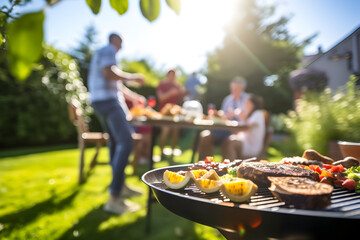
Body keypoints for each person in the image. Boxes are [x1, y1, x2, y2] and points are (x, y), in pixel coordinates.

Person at [88, 33, 146, 215]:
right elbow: (109, 73)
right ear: (115, 40)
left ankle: (119, 187)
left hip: (99, 102)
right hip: (109, 102)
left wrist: (134, 97)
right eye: (121, 42)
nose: (122, 45)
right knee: (127, 141)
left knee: (115, 142)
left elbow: (116, 85)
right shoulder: (108, 50)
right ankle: (114, 198)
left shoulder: (104, 54)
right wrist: (133, 76)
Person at [197, 76, 248, 160]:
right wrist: (220, 115)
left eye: (236, 88)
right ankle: (204, 167)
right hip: (223, 129)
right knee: (205, 136)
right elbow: (223, 115)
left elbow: (247, 119)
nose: (234, 91)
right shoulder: (228, 99)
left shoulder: (247, 100)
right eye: (232, 88)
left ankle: (228, 169)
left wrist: (236, 114)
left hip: (238, 132)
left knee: (228, 142)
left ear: (243, 88)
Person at [222, 94, 266, 160]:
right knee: (227, 140)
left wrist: (242, 117)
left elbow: (248, 128)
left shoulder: (257, 114)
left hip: (252, 146)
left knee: (231, 142)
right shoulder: (250, 115)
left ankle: (231, 166)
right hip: (245, 142)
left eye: (246, 103)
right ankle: (226, 165)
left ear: (252, 104)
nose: (244, 105)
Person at [156, 69, 187, 161]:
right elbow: (160, 98)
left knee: (175, 131)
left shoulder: (177, 85)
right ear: (167, 75)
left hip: (174, 113)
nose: (172, 77)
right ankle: (161, 152)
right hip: (164, 113)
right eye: (171, 75)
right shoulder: (162, 84)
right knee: (165, 131)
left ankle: (172, 153)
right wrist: (170, 93)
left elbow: (180, 100)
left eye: (174, 75)